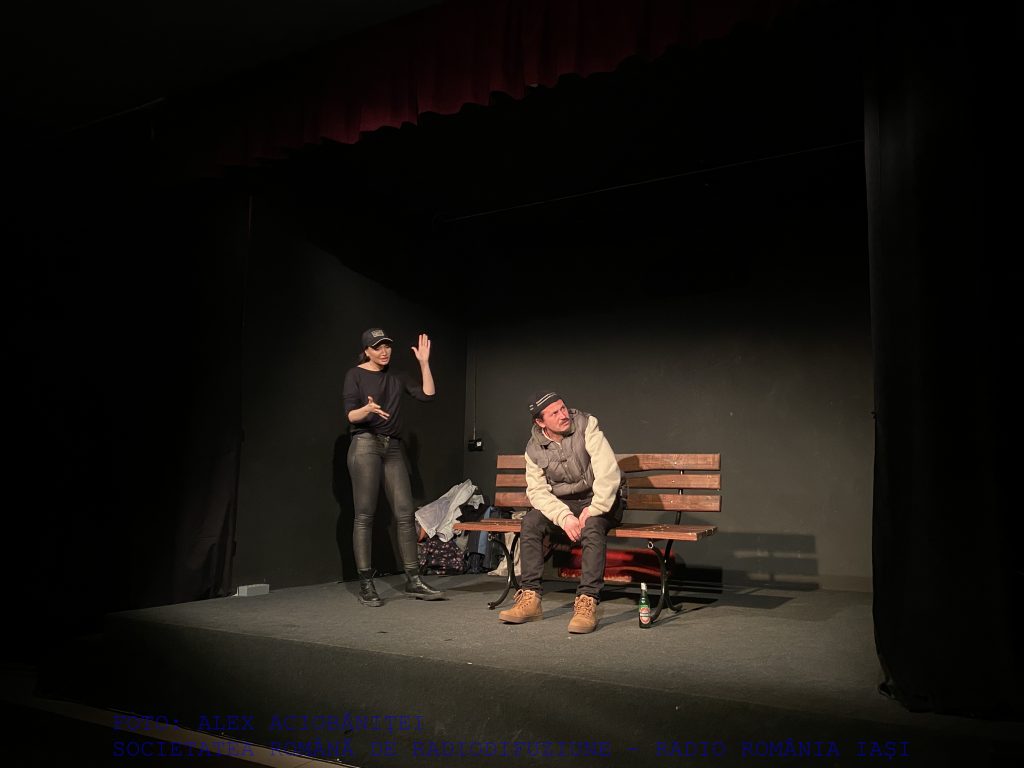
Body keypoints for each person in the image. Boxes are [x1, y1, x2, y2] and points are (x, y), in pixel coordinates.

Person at [498, 391, 623, 633]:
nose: (563, 415)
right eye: (554, 413)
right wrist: (564, 516)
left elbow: (608, 472)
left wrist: (594, 508)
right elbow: (537, 492)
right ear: (540, 422)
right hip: (566, 505)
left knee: (592, 525)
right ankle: (530, 598)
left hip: (602, 500)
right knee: (531, 521)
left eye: (563, 408)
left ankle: (587, 600)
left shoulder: (587, 425)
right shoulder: (533, 449)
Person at [342, 327, 445, 606]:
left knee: (404, 513)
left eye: (387, 346)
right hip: (365, 444)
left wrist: (424, 363)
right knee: (365, 515)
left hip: (393, 448)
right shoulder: (355, 375)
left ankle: (414, 579)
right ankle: (366, 584)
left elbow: (427, 395)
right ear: (367, 351)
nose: (384, 351)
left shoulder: (398, 376)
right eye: (377, 347)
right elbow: (350, 414)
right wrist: (367, 410)